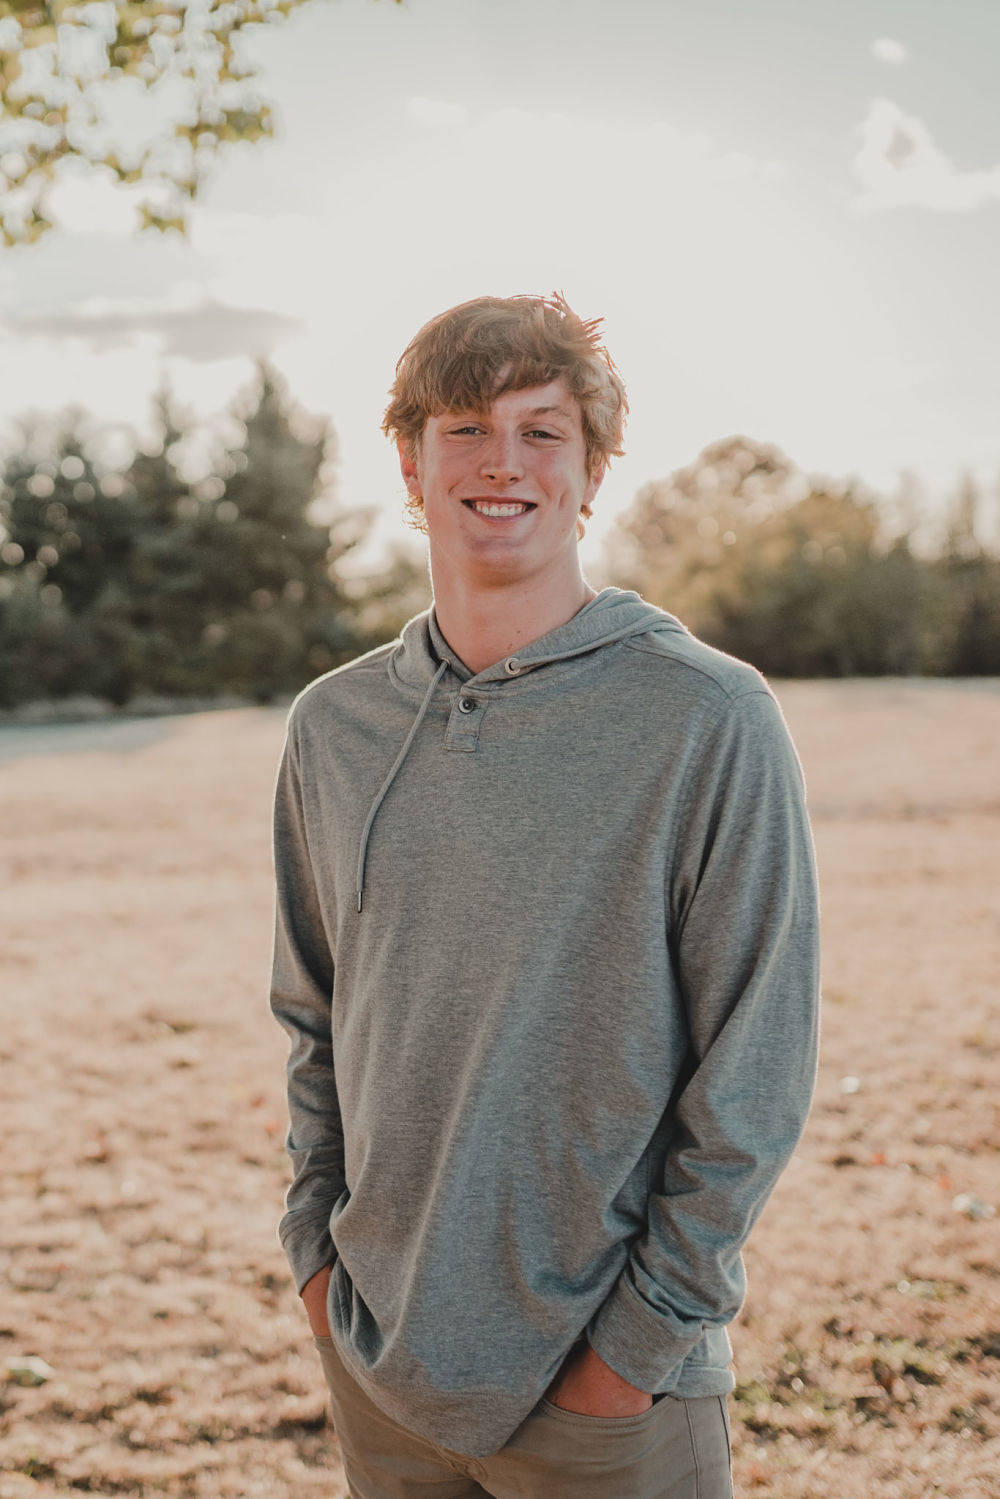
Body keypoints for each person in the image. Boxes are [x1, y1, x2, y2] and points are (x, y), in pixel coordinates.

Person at [268, 291, 821, 1498]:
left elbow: (756, 1067)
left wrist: (629, 1351)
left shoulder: (705, 716)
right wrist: (318, 1257)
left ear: (594, 469)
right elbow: (312, 1015)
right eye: (463, 428)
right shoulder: (334, 726)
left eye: (542, 429)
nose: (500, 463)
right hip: (381, 1365)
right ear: (410, 464)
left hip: (606, 1394)